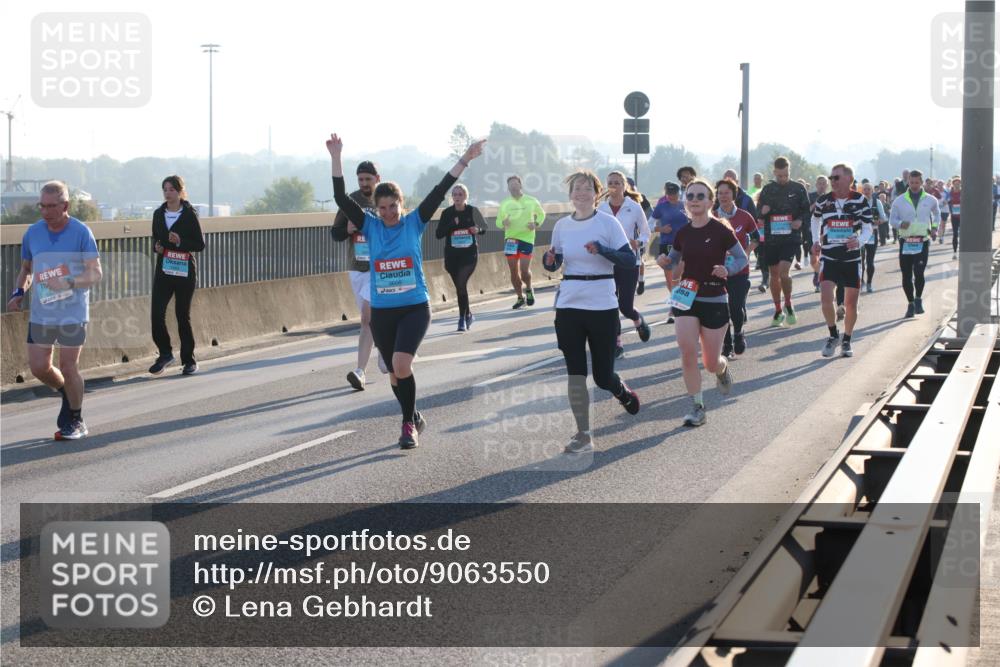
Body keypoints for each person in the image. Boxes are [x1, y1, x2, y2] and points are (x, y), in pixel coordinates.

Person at [328, 132, 486, 449]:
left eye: (393, 206)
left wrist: (465, 159)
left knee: (402, 365)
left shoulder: (414, 222)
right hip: (383, 311)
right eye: (383, 208)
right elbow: (342, 199)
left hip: (414, 307)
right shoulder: (370, 225)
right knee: (394, 374)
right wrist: (336, 157)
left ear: (402, 204)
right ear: (376, 208)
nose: (388, 212)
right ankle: (413, 415)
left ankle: (407, 426)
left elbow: (440, 189)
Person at [543, 170, 640, 453]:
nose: (581, 193)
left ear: (597, 194)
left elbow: (628, 260)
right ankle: (583, 434)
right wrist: (549, 261)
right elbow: (554, 262)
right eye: (577, 188)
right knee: (575, 374)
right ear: (570, 194)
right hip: (569, 304)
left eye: (587, 188)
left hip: (602, 305)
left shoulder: (608, 223)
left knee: (602, 376)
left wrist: (602, 249)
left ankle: (620, 390)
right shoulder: (562, 225)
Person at [7, 181, 102, 440]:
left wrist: (68, 282)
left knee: (68, 367)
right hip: (42, 312)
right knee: (39, 367)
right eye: (42, 206)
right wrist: (18, 292)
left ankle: (76, 419)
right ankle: (66, 392)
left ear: (65, 205)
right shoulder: (33, 233)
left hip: (73, 312)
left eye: (51, 206)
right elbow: (26, 269)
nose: (45, 211)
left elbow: (95, 273)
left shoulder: (81, 232)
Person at [657, 178, 748, 427]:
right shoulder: (683, 232)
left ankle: (721, 368)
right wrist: (665, 261)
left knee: (710, 363)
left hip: (714, 297)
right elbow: (673, 259)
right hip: (686, 297)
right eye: (690, 196)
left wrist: (727, 269)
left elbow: (741, 258)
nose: (694, 200)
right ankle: (698, 407)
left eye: (700, 196)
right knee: (687, 351)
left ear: (710, 201)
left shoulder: (721, 230)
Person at [811, 164, 874, 359]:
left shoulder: (860, 200)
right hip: (829, 255)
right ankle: (833, 335)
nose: (832, 181)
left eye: (836, 178)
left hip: (851, 258)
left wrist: (860, 241)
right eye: (831, 178)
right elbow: (815, 220)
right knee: (825, 298)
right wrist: (815, 240)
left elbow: (868, 228)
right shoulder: (823, 201)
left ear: (849, 179)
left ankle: (846, 339)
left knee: (851, 304)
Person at [149, 175, 206, 376]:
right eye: (165, 189)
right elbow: (155, 239)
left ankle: (189, 360)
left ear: (180, 191)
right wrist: (157, 247)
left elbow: (199, 244)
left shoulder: (189, 214)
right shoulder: (158, 214)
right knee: (156, 314)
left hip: (184, 271)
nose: (168, 193)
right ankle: (165, 353)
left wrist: (180, 241)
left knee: (182, 315)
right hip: (164, 270)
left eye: (172, 189)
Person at [332, 161, 383, 390]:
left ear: (377, 178)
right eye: (360, 179)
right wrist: (348, 230)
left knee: (366, 318)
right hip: (356, 267)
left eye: (368, 179)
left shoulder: (386, 199)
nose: (364, 183)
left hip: (380, 268)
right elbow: (335, 233)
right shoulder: (351, 201)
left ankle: (360, 371)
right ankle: (384, 350)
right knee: (371, 320)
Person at [598, 171, 652, 358]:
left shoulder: (633, 207)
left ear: (624, 186)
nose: (613, 186)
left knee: (625, 306)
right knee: (611, 305)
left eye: (617, 183)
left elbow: (646, 233)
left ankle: (637, 320)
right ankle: (617, 343)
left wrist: (638, 242)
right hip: (607, 262)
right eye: (610, 183)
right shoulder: (601, 208)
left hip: (629, 261)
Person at [757, 156, 811, 327]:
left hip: (790, 237)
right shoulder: (767, 189)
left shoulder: (798, 188)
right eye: (780, 175)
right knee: (774, 275)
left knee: (783, 273)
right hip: (771, 238)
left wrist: (800, 221)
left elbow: (806, 211)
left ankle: (788, 303)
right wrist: (763, 211)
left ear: (789, 171)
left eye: (786, 175)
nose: (783, 178)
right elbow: (758, 214)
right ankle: (778, 310)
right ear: (774, 172)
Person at [714, 178, 757, 359]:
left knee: (735, 306)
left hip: (739, 269)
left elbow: (756, 238)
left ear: (734, 194)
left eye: (727, 193)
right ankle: (726, 344)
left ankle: (738, 332)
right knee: (722, 308)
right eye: (720, 193)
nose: (723, 196)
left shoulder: (744, 216)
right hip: (718, 270)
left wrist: (745, 253)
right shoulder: (711, 216)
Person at [436, 183, 487, 331]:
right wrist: (452, 224)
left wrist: (477, 229)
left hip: (469, 255)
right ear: (452, 197)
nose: (457, 197)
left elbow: (484, 227)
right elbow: (438, 234)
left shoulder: (472, 211)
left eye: (460, 194)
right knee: (460, 287)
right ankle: (468, 314)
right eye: (455, 194)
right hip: (452, 256)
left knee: (461, 282)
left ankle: (461, 319)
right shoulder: (447, 213)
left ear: (466, 196)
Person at [889, 169, 940, 318]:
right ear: (908, 182)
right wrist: (900, 224)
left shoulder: (930, 199)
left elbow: (937, 214)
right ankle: (910, 303)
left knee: (919, 272)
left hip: (922, 240)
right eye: (911, 182)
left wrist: (934, 228)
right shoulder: (899, 200)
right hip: (906, 241)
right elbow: (892, 220)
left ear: (922, 182)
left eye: (917, 182)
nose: (914, 185)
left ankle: (918, 299)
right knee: (906, 275)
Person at [497, 175, 546, 309]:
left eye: (515, 183)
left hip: (527, 238)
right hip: (511, 239)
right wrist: (503, 223)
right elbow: (498, 222)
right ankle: (520, 297)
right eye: (510, 185)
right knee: (513, 272)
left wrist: (536, 224)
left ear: (520, 185)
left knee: (524, 270)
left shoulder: (531, 200)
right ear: (508, 188)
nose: (513, 186)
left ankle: (529, 288)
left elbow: (541, 214)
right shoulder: (505, 203)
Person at [649, 181, 688, 323]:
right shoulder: (661, 207)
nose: (672, 197)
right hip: (667, 245)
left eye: (674, 194)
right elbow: (649, 225)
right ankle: (674, 304)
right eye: (669, 194)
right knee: (670, 277)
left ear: (679, 193)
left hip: (685, 244)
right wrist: (661, 229)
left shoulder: (686, 205)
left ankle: (678, 306)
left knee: (682, 275)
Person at [627, 176, 652, 294]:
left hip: (638, 235)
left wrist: (643, 223)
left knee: (639, 259)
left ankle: (641, 280)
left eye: (630, 186)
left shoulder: (641, 197)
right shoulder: (615, 199)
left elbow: (650, 213)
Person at [860, 181, 885, 293]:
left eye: (868, 189)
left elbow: (883, 218)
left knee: (870, 261)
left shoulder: (877, 202)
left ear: (872, 191)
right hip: (860, 234)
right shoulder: (858, 201)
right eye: (864, 189)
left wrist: (878, 221)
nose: (866, 191)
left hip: (872, 234)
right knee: (860, 261)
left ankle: (869, 283)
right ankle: (861, 281)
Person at [807, 175, 830, 292]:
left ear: (827, 185)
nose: (822, 186)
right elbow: (807, 211)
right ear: (816, 185)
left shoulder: (830, 197)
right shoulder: (810, 196)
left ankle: (819, 279)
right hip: (812, 230)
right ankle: (817, 272)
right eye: (820, 183)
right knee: (813, 259)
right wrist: (816, 203)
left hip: (825, 231)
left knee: (823, 257)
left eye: (824, 183)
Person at [948, 176, 962, 259]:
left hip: (963, 217)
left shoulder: (963, 192)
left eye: (958, 184)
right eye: (955, 184)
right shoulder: (950, 193)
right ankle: (955, 252)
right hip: (954, 216)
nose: (957, 185)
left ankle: (963, 251)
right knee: (955, 234)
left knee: (963, 234)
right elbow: (946, 201)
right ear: (953, 184)